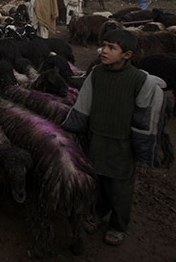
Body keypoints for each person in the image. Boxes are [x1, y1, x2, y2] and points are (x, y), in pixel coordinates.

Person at [61, 30, 165, 247]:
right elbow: (84, 103)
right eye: (104, 46)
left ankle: (118, 225)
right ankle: (98, 213)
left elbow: (145, 117)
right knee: (98, 181)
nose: (104, 51)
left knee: (120, 187)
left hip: (122, 143)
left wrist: (142, 147)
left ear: (127, 54)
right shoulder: (97, 73)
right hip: (98, 138)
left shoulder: (139, 81)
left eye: (111, 48)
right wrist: (73, 127)